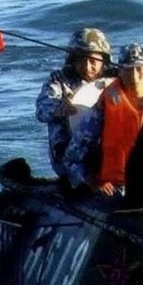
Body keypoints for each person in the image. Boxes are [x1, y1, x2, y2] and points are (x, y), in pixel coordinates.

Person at [62, 43, 143, 197]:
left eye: (139, 68)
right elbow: (72, 158)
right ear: (119, 71)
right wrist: (92, 182)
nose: (134, 76)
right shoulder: (104, 106)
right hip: (118, 189)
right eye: (127, 69)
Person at [35, 26, 112, 179]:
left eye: (93, 61)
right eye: (81, 61)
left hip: (108, 148)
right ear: (72, 60)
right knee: (58, 121)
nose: (87, 67)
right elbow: (42, 110)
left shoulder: (116, 79)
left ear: (104, 60)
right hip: (70, 150)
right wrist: (59, 109)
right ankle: (72, 174)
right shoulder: (59, 80)